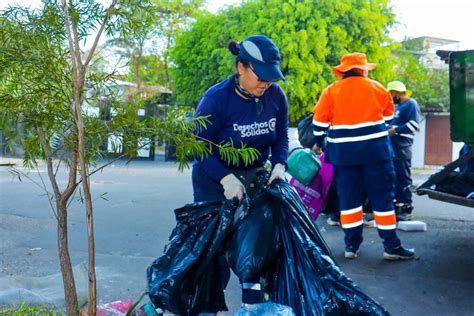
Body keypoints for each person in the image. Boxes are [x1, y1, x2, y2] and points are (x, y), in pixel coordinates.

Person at [192, 35, 289, 308]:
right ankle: (213, 307)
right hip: (215, 180)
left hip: (255, 177)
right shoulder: (216, 99)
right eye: (261, 76)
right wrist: (225, 179)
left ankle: (253, 307)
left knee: (255, 244)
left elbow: (281, 136)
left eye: (271, 76)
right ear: (241, 67)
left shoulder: (275, 96)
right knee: (216, 248)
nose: (266, 83)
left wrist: (280, 165)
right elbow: (199, 146)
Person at [312, 52, 415, 260]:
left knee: (349, 201)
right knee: (382, 200)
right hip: (376, 154)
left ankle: (351, 247)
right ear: (362, 69)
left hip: (344, 156)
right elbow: (387, 117)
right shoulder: (377, 88)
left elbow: (319, 125)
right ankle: (391, 247)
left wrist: (321, 140)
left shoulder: (330, 91)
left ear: (344, 70)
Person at [387, 81, 422, 221]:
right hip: (393, 148)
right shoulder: (399, 107)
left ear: (397, 92)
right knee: (394, 177)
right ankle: (397, 207)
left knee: (403, 177)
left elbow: (414, 125)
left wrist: (395, 130)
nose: (390, 97)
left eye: (391, 94)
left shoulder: (411, 104)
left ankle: (406, 207)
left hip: (403, 147)